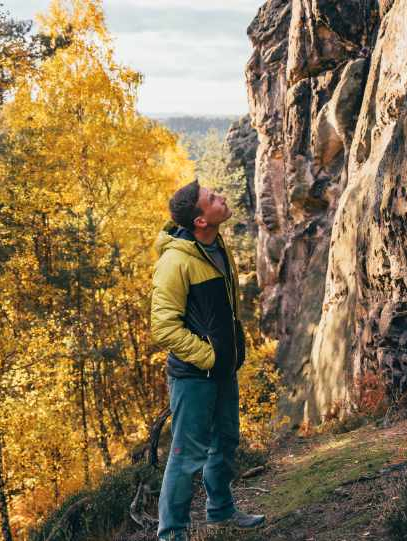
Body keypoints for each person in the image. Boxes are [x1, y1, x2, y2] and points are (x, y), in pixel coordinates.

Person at [150, 180, 266, 541]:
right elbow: (163, 327)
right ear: (200, 220)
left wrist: (226, 358)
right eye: (212, 199)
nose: (221, 198)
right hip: (193, 376)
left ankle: (221, 511)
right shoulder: (175, 261)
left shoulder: (216, 246)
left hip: (222, 371)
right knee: (186, 457)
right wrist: (209, 357)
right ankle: (171, 534)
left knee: (226, 441)